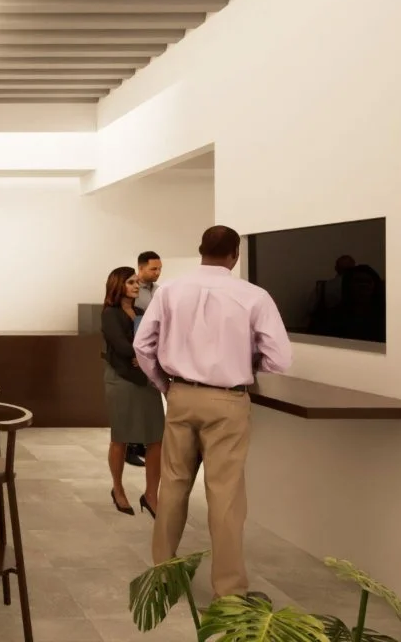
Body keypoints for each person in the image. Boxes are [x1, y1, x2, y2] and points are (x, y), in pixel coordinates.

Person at [133, 225, 292, 600]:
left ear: (200, 249)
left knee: (173, 486)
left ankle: (163, 579)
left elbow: (142, 345)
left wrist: (165, 384)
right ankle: (229, 593)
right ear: (235, 254)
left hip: (180, 395)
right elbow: (280, 359)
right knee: (225, 496)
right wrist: (247, 363)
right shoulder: (254, 296)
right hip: (228, 400)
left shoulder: (170, 290)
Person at [100, 267, 165, 518]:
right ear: (118, 285)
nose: (137, 286)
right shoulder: (110, 314)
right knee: (121, 437)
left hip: (145, 379)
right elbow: (122, 347)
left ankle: (151, 494)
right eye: (131, 282)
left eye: (137, 282)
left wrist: (143, 356)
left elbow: (150, 343)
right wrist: (140, 354)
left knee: (156, 438)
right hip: (121, 380)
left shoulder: (140, 313)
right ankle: (117, 489)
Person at [127, 250, 162, 467]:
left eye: (159, 269)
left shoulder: (159, 291)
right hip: (136, 349)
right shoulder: (132, 291)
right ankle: (131, 444)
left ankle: (142, 442)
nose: (157, 273)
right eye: (153, 269)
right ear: (141, 268)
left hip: (153, 350)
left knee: (149, 400)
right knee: (136, 400)